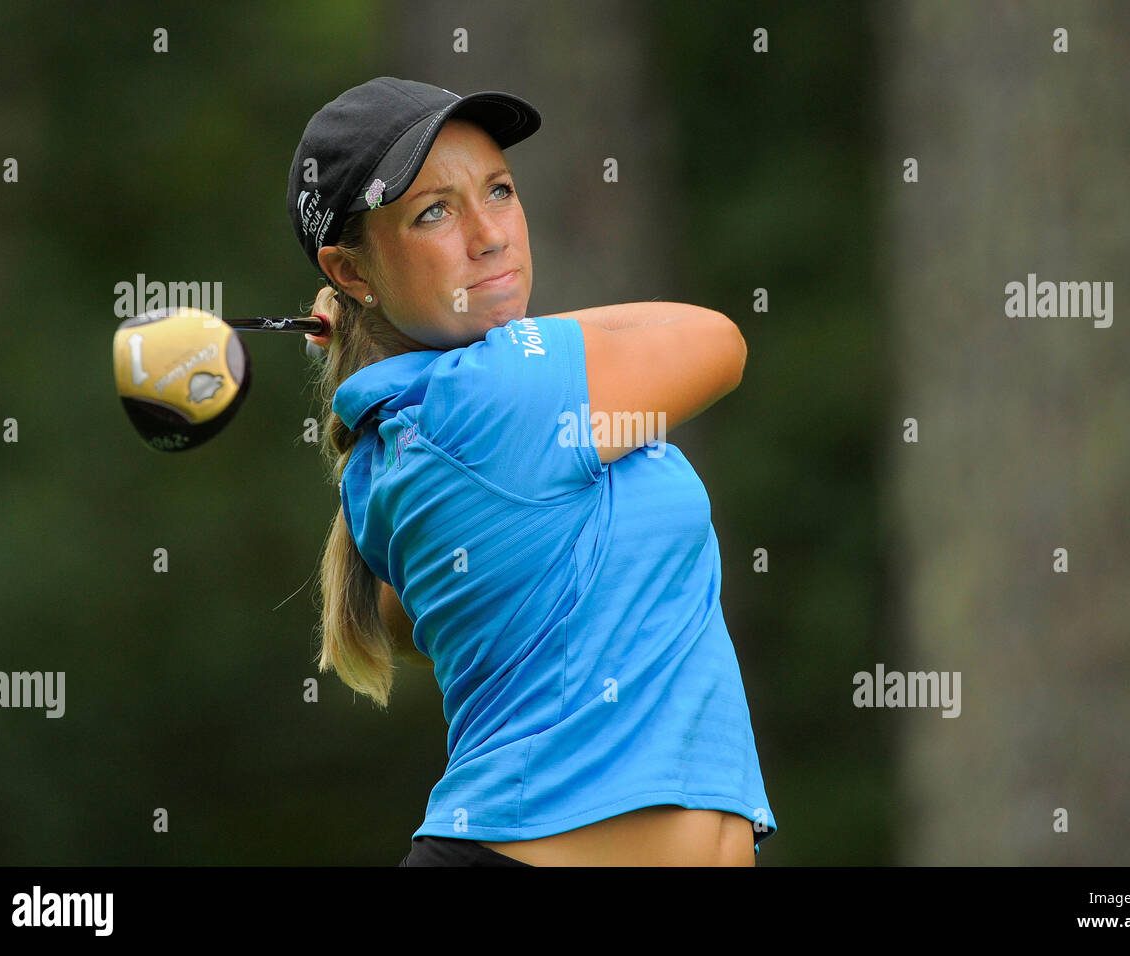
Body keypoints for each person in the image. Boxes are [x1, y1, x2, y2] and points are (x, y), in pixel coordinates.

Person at [287, 77, 777, 866]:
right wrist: (486, 337)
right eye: (434, 212)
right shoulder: (498, 388)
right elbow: (718, 342)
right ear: (349, 272)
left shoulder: (395, 441)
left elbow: (416, 619)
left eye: (500, 190)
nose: (490, 236)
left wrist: (398, 324)